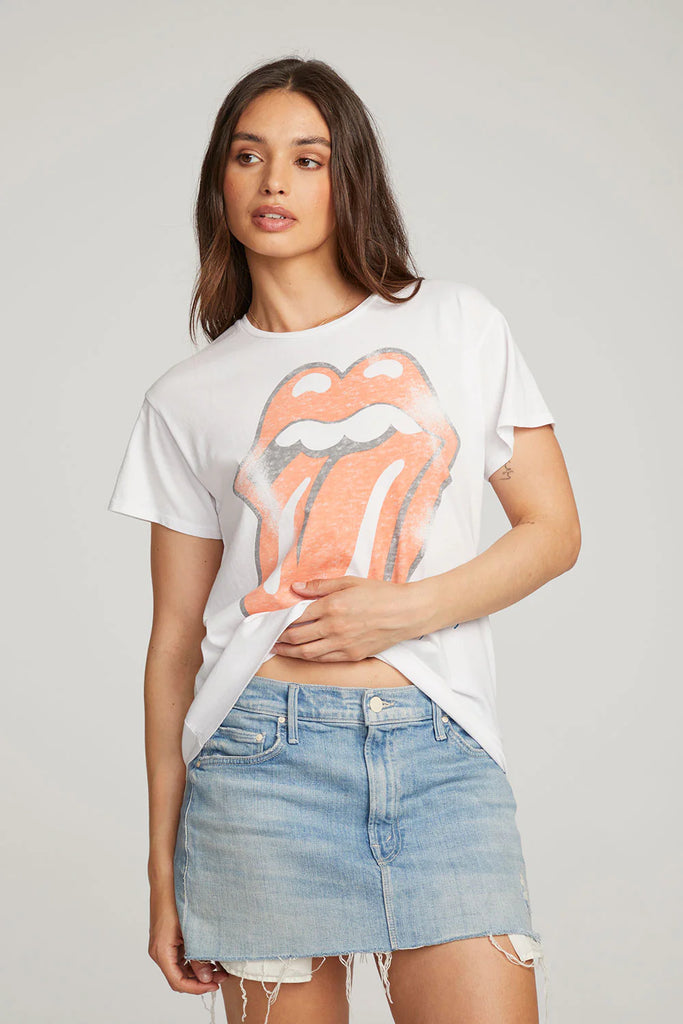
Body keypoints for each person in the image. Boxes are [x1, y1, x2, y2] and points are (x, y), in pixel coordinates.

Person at [107, 55, 580, 1024]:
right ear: (220, 180)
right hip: (256, 767)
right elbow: (173, 643)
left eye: (307, 158)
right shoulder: (184, 398)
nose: (273, 181)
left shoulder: (456, 322)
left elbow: (552, 530)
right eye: (248, 156)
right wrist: (162, 871)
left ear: (347, 176)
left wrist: (405, 610)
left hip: (438, 752)